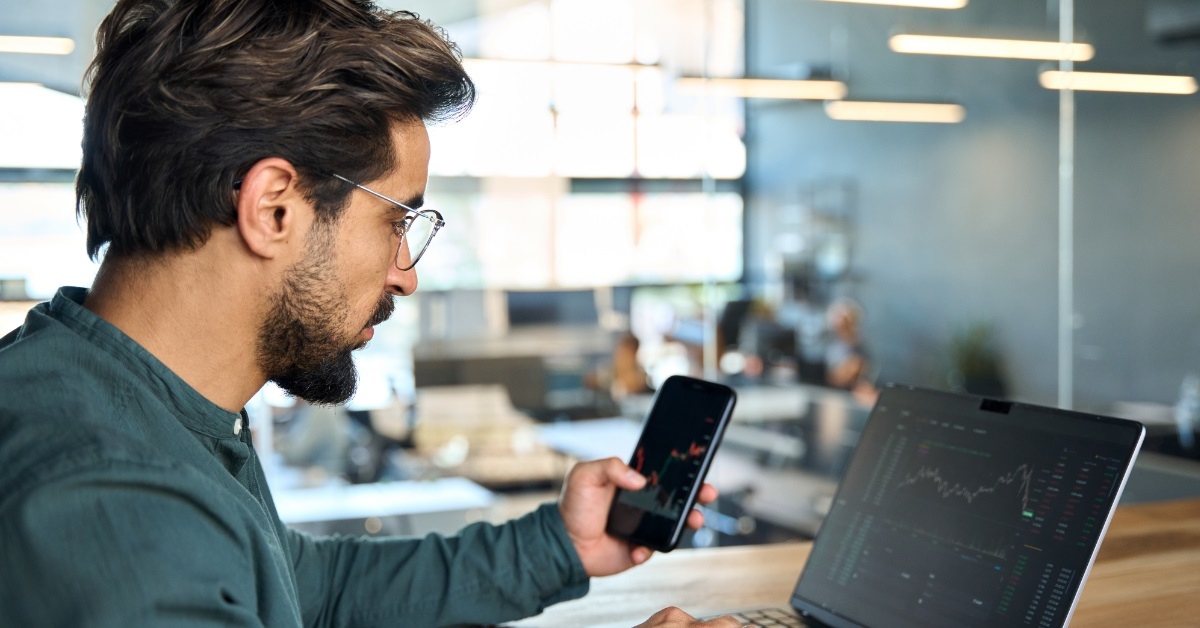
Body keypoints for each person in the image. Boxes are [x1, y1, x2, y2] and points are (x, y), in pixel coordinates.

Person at [0, 2, 737, 626]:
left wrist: (556, 548)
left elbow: (307, 590)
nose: (405, 275)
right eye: (396, 222)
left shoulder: (119, 396)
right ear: (274, 207)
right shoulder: (114, 502)